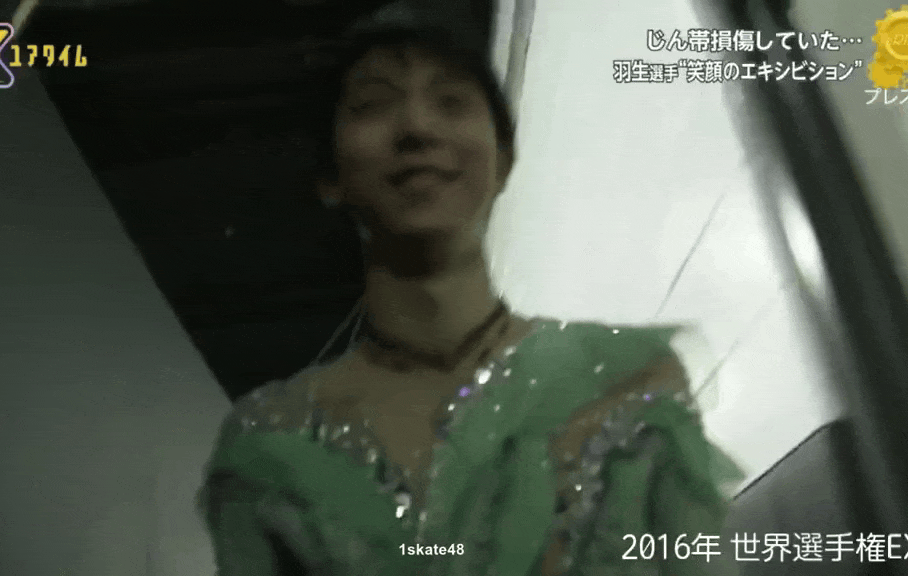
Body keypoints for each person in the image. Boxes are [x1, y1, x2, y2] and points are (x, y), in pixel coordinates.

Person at [197, 8, 743, 576]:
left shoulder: (633, 381)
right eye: (373, 104)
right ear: (329, 175)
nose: (416, 128)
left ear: (503, 161)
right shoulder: (270, 444)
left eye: (451, 101)